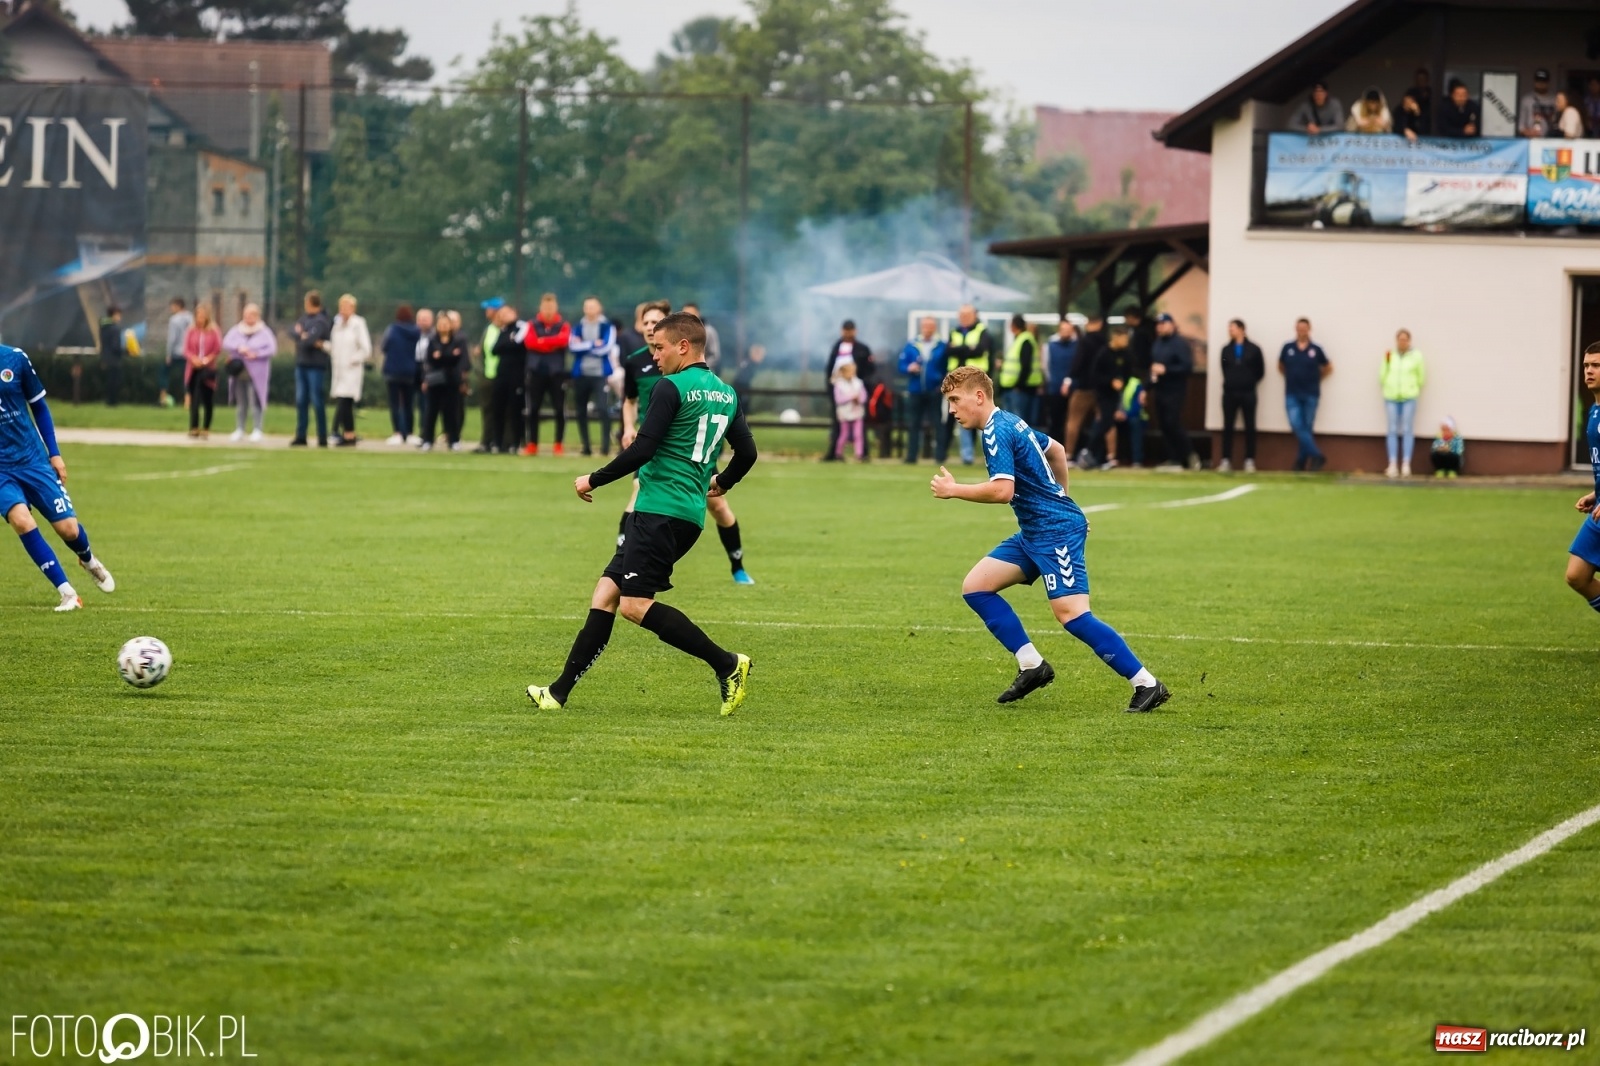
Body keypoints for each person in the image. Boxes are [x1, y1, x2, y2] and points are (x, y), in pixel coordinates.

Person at [527, 311, 757, 716]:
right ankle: (557, 693)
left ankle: (727, 663)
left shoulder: (671, 387)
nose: (656, 356)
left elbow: (643, 449)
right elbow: (748, 452)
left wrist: (593, 479)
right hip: (685, 513)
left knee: (634, 605)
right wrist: (723, 482)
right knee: (605, 594)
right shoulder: (726, 392)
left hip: (658, 511)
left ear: (683, 346)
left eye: (660, 347)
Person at [931, 365, 1168, 713]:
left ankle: (1146, 684)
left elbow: (1001, 491)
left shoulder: (997, 431)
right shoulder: (1011, 421)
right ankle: (1032, 665)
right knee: (976, 587)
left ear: (978, 396)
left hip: (1054, 533)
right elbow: (1056, 449)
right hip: (1035, 532)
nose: (952, 409)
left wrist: (954, 490)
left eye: (955, 400)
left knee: (1072, 615)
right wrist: (1064, 500)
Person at [620, 302, 756, 586]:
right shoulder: (635, 361)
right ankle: (624, 562)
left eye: (655, 322)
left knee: (718, 507)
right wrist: (629, 426)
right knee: (638, 491)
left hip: (691, 446)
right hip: (654, 446)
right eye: (645, 322)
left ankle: (738, 565)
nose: (649, 326)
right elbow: (630, 400)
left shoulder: (681, 366)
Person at [0, 342, 115, 612]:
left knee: (68, 530)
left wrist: (55, 454)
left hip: (33, 460)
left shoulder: (14, 359)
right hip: (2, 470)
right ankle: (68, 593)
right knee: (21, 521)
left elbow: (39, 406)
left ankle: (87, 559)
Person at [1567, 342, 1600, 614]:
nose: (1589, 371)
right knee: (1577, 575)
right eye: (1587, 365)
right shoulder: (1594, 410)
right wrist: (1595, 492)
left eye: (1596, 366)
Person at [519, 293, 572, 456]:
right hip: (536, 372)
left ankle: (558, 444)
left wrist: (543, 341)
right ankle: (532, 444)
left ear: (556, 307)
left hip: (556, 373)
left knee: (558, 409)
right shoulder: (532, 324)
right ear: (540, 307)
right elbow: (530, 342)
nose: (548, 310)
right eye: (545, 306)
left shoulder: (563, 324)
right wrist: (550, 342)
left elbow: (563, 341)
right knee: (533, 409)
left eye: (551, 306)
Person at [1278, 318, 1332, 471]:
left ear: (1309, 329)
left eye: (1304, 328)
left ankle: (1300, 463)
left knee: (1306, 428)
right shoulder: (1287, 348)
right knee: (1296, 425)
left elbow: (1328, 367)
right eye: (1299, 328)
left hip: (1311, 394)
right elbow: (1281, 366)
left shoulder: (1316, 349)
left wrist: (1317, 378)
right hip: (1292, 393)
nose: (1301, 331)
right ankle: (1317, 455)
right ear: (1295, 329)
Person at [1147, 312, 1198, 471]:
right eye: (1158, 324)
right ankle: (1174, 458)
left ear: (1172, 325)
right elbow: (1155, 367)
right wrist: (1148, 385)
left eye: (1163, 324)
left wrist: (1167, 370)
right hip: (1160, 389)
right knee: (1163, 424)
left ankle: (1189, 455)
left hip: (1175, 390)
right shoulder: (1157, 343)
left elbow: (1187, 367)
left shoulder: (1179, 344)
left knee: (1172, 422)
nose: (1160, 327)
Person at [946, 305, 996, 465]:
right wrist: (968, 349)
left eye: (967, 315)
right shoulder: (954, 331)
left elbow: (980, 350)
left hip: (977, 384)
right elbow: (948, 351)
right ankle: (967, 456)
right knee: (962, 416)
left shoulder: (982, 331)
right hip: (958, 384)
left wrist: (959, 349)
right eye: (961, 315)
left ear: (975, 315)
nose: (964, 318)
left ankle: (991, 454)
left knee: (984, 417)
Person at [569, 296, 619, 458]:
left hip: (600, 375)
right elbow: (572, 347)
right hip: (581, 374)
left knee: (604, 409)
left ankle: (605, 447)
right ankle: (586, 446)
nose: (589, 309)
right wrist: (592, 344)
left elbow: (605, 348)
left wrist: (584, 345)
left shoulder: (607, 327)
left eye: (592, 306)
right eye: (586, 306)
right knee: (581, 411)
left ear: (599, 308)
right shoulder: (578, 327)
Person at [1216, 318, 1264, 472]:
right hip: (1230, 392)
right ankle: (1226, 459)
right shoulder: (1226, 350)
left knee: (1250, 426)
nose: (1230, 331)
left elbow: (1260, 370)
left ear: (1242, 329)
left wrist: (1249, 381)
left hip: (1248, 392)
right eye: (1229, 328)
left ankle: (1249, 459)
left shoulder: (1254, 349)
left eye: (1233, 328)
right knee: (1228, 426)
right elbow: (1224, 366)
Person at [899, 316, 948, 463]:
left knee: (937, 423)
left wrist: (941, 384)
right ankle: (911, 456)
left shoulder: (942, 346)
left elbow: (946, 367)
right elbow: (901, 365)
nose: (928, 328)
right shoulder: (912, 345)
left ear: (935, 327)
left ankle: (940, 456)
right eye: (925, 325)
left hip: (934, 390)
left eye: (930, 326)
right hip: (916, 390)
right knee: (914, 424)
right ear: (921, 327)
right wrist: (909, 368)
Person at [823, 320, 873, 461]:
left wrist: (862, 388)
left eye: (850, 330)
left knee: (860, 428)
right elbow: (829, 369)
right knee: (838, 427)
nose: (848, 333)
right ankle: (835, 453)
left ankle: (862, 453)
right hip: (839, 391)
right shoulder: (836, 347)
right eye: (845, 330)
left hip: (857, 390)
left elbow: (869, 370)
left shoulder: (862, 349)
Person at [1083, 325, 1133, 468]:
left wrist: (1122, 383)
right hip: (1103, 395)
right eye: (1124, 338)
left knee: (1107, 424)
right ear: (1115, 337)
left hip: (1117, 396)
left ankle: (1095, 456)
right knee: (1106, 423)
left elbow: (1128, 374)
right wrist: (1110, 382)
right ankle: (1090, 452)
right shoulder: (1103, 353)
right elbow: (1095, 376)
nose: (1126, 342)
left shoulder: (1126, 355)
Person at [224, 303, 275, 442]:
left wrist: (256, 354)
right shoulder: (237, 330)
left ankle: (257, 429)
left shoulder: (264, 332)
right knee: (241, 402)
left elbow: (271, 348)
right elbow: (226, 342)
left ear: (257, 316)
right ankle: (240, 428)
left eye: (251, 315)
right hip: (240, 372)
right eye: (246, 315)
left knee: (256, 401)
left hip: (257, 373)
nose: (248, 318)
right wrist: (239, 347)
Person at [1380, 328, 1425, 478]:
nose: (1402, 342)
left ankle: (1406, 464)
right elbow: (1382, 374)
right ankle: (1392, 464)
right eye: (1400, 339)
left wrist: (1414, 388)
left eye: (1405, 339)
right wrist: (1387, 385)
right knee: (1392, 429)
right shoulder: (1389, 355)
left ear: (1409, 341)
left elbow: (1421, 376)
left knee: (1407, 429)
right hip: (1391, 396)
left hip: (1409, 397)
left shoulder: (1416, 356)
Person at [420, 310, 466, 451]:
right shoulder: (432, 341)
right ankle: (427, 439)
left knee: (451, 412)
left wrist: (442, 356)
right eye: (441, 324)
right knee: (431, 411)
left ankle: (453, 440)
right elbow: (430, 360)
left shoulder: (457, 341)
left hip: (452, 381)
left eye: (446, 324)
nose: (444, 326)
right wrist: (447, 356)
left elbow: (458, 359)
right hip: (435, 381)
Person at [329, 294, 372, 447]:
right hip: (339, 370)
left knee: (345, 401)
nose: (343, 310)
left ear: (353, 308)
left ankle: (349, 434)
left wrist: (353, 359)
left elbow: (366, 349)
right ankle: (348, 433)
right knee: (343, 401)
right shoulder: (337, 325)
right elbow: (335, 346)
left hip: (351, 370)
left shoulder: (358, 324)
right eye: (341, 307)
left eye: (346, 307)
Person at [291, 290, 332, 447]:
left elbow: (310, 340)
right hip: (302, 364)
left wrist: (304, 337)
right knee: (301, 400)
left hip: (316, 366)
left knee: (317, 400)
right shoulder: (304, 319)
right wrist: (304, 337)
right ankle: (301, 435)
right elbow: (292, 332)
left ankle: (322, 436)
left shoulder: (321, 321)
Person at [380, 305, 421, 446]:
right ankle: (409, 433)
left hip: (392, 371)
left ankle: (397, 432)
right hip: (409, 371)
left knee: (395, 404)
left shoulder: (392, 330)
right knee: (409, 404)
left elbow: (384, 347)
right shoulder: (416, 332)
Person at [1064, 315, 1103, 463]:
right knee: (1105, 421)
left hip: (1084, 387)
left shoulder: (1084, 342)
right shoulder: (1105, 342)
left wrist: (1069, 378)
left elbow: (1078, 363)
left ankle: (1069, 454)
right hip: (1102, 389)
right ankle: (1111, 456)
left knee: (1073, 421)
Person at [183, 303, 222, 439]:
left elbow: (217, 349)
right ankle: (194, 427)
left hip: (208, 368)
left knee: (207, 399)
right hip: (193, 368)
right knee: (194, 398)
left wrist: (206, 359)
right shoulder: (191, 331)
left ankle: (206, 427)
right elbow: (186, 349)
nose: (200, 318)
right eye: (198, 315)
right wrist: (193, 359)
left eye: (202, 316)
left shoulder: (214, 331)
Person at [475, 297, 506, 453]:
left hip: (501, 377)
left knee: (502, 411)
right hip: (487, 377)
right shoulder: (489, 329)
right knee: (487, 410)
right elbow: (482, 352)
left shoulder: (506, 329)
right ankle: (486, 442)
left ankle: (502, 443)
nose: (487, 312)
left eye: (489, 309)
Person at [999, 314, 1041, 424]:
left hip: (1019, 389)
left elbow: (1026, 366)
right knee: (1013, 423)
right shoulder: (1019, 340)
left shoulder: (1025, 341)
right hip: (1012, 388)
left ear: (1013, 326)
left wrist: (1019, 385)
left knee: (1019, 424)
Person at [1043, 317, 1077, 446]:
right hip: (1055, 388)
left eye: (1068, 329)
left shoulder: (1077, 345)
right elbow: (1046, 366)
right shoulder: (1051, 345)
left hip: (1073, 389)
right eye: (1063, 329)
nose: (1065, 332)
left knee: (1071, 421)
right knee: (1055, 421)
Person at [832, 357, 867, 461]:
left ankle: (859, 454)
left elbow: (864, 396)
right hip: (844, 412)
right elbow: (838, 399)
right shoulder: (839, 385)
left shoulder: (858, 383)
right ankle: (838, 453)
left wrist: (859, 399)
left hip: (857, 411)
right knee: (844, 434)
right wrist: (851, 397)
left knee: (858, 434)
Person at [162, 297, 192, 409]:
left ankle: (163, 397)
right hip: (189, 353)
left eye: (172, 306)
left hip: (176, 352)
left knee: (163, 371)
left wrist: (168, 354)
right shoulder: (191, 318)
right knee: (187, 377)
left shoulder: (174, 319)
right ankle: (187, 400)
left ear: (178, 306)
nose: (171, 309)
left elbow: (172, 338)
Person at [1116, 374, 1146, 469]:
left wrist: (1126, 415)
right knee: (1104, 424)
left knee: (1135, 423)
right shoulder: (1113, 380)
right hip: (1116, 415)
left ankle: (1137, 460)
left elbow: (1138, 405)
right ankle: (1105, 458)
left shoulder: (1135, 384)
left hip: (1134, 416)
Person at [680, 302, 721, 371]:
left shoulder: (709, 332)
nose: (688, 317)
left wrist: (702, 369)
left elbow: (714, 356)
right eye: (685, 314)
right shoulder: (680, 332)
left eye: (691, 314)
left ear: (698, 314)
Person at [1518, 69, 1557, 138]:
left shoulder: (1555, 100)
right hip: (1532, 140)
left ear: (1548, 82)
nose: (1541, 83)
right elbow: (1521, 126)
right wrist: (1529, 132)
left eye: (1543, 81)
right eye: (1538, 81)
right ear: (1534, 81)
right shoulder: (1527, 99)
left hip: (1551, 139)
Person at [98, 306, 125, 407]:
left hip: (105, 357)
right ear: (114, 315)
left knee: (109, 380)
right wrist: (124, 351)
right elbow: (115, 346)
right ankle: (113, 401)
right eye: (118, 315)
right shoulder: (115, 329)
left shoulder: (103, 327)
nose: (120, 318)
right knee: (115, 380)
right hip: (114, 358)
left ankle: (108, 400)